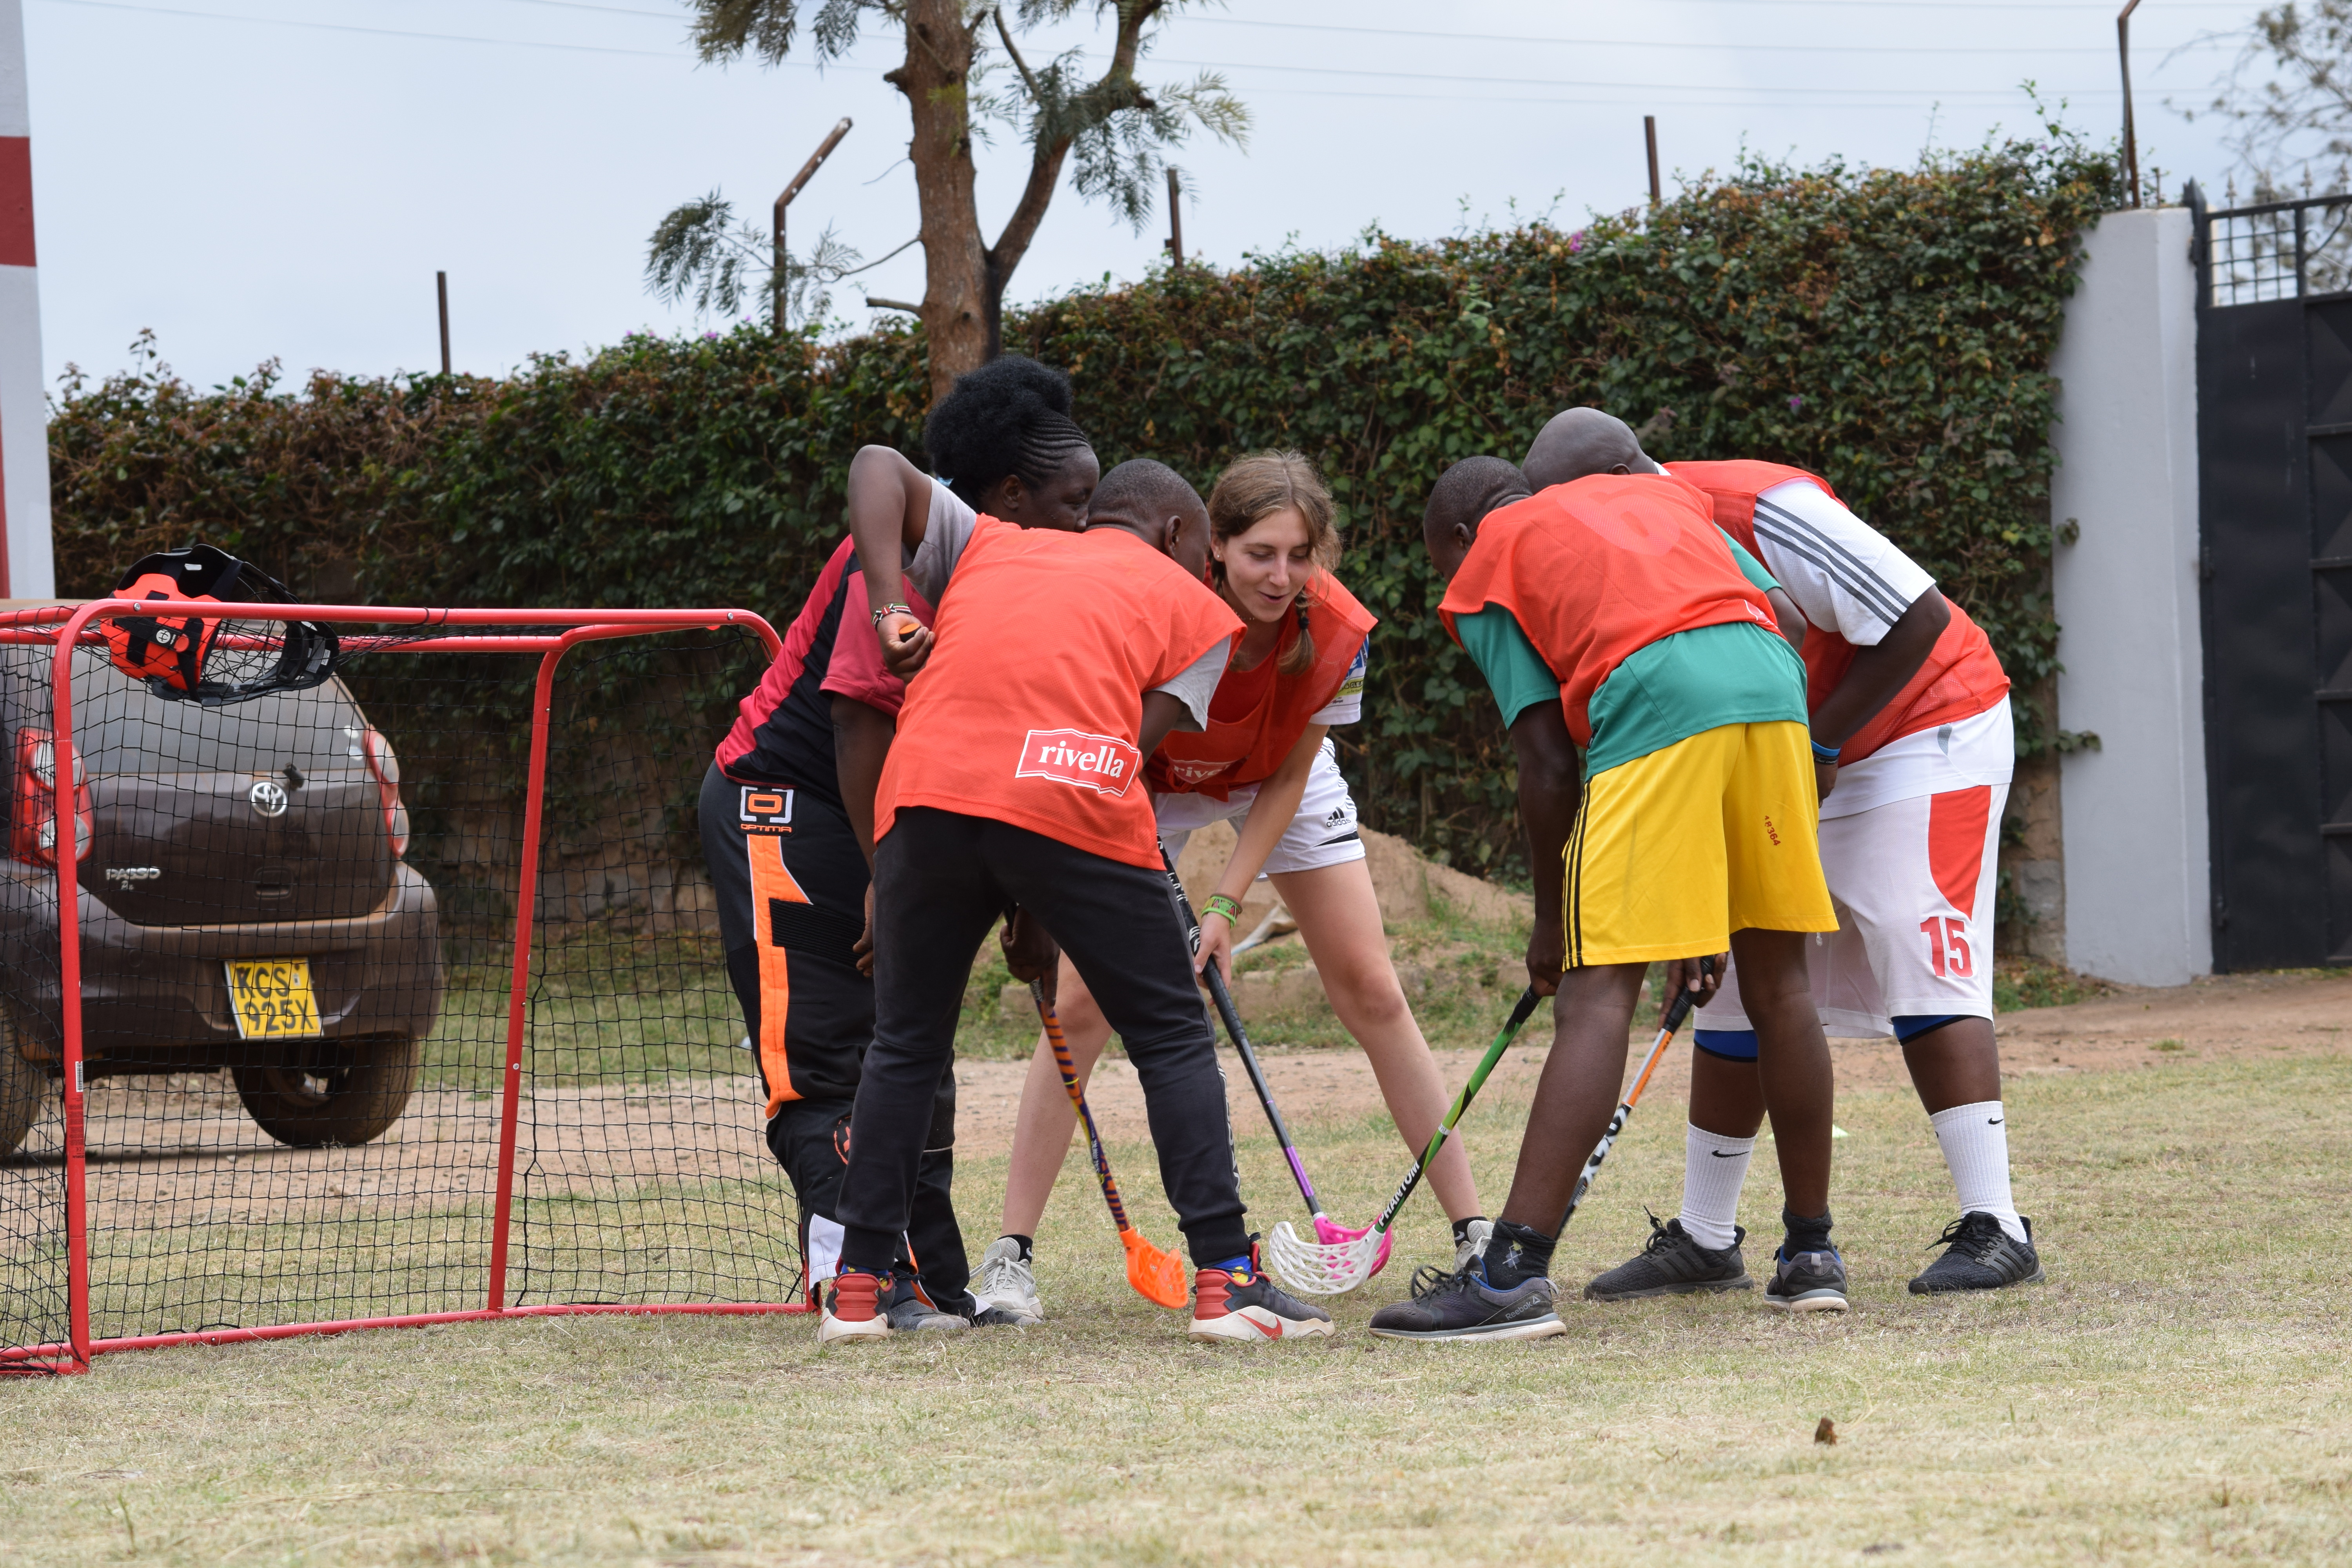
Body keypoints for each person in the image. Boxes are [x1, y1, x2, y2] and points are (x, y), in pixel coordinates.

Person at [819, 457, 1337, 1345]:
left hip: (923, 793)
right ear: (1180, 538)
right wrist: (1037, 902)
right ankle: (1226, 1278)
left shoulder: (988, 540)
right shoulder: (1201, 615)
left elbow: (875, 466)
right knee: (1172, 1033)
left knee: (903, 1042)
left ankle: (861, 1287)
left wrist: (889, 604)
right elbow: (1112, 756)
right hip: (1069, 793)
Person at [1523, 408, 2040, 1297]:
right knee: (1739, 983)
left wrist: (1822, 746)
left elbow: (1916, 615)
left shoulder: (1762, 504)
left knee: (1917, 943)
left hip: (1926, 727)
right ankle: (1708, 1231)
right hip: (1777, 742)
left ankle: (1998, 1220)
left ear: (1617, 479)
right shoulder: (1638, 530)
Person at [970, 452, 1490, 1326]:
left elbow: (1289, 778)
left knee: (1371, 987)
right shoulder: (1164, 602)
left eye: (1298, 555)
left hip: (1275, 775)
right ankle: (1009, 1256)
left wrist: (1221, 905)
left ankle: (1477, 1232)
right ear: (1217, 548)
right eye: (1259, 554)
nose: (1280, 576)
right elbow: (1116, 743)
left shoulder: (1340, 629)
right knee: (1082, 1006)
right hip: (1153, 775)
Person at [1366, 456, 1842, 1341]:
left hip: (1656, 695)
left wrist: (1553, 922)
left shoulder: (1491, 558)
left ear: (1460, 539)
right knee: (1781, 986)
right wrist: (1687, 896)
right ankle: (1811, 1254)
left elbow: (1546, 760)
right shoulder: (1661, 493)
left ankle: (1509, 1274)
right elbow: (1777, 612)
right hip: (1776, 690)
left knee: (1595, 993)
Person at [699, 355, 1096, 1333]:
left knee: (912, 1046)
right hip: (788, 807)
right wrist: (893, 877)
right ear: (1009, 495)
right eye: (1072, 502)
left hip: (894, 817)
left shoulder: (1029, 580)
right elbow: (859, 726)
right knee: (830, 1056)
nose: (1085, 527)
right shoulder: (930, 554)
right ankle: (858, 1282)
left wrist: (1028, 908)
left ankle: (930, 1277)